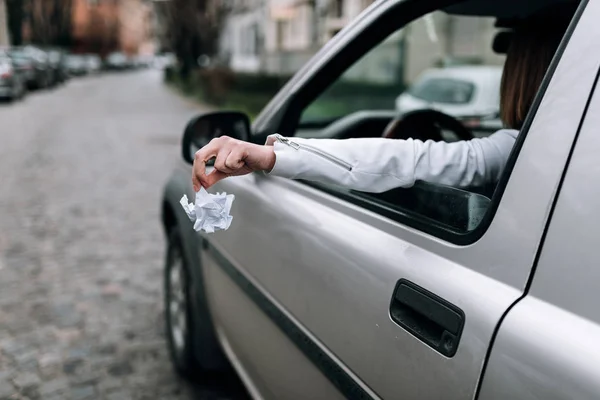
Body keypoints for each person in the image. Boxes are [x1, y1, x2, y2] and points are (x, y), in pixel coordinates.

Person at [192, 12, 569, 194]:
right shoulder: (566, 145)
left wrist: (273, 156)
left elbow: (408, 159)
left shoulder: (516, 150)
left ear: (521, 76)